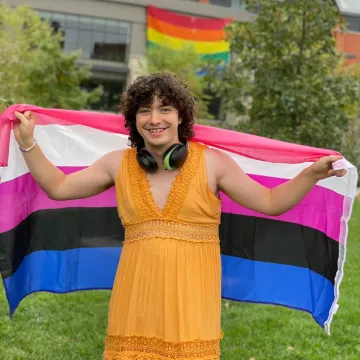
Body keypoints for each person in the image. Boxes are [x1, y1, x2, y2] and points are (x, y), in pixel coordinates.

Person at [13, 72, 346, 360]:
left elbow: (270, 201)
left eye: (165, 109)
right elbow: (58, 186)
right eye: (145, 110)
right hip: (135, 304)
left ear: (181, 117)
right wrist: (28, 143)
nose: (155, 118)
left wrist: (310, 175)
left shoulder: (212, 163)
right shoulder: (116, 163)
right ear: (134, 120)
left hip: (192, 307)